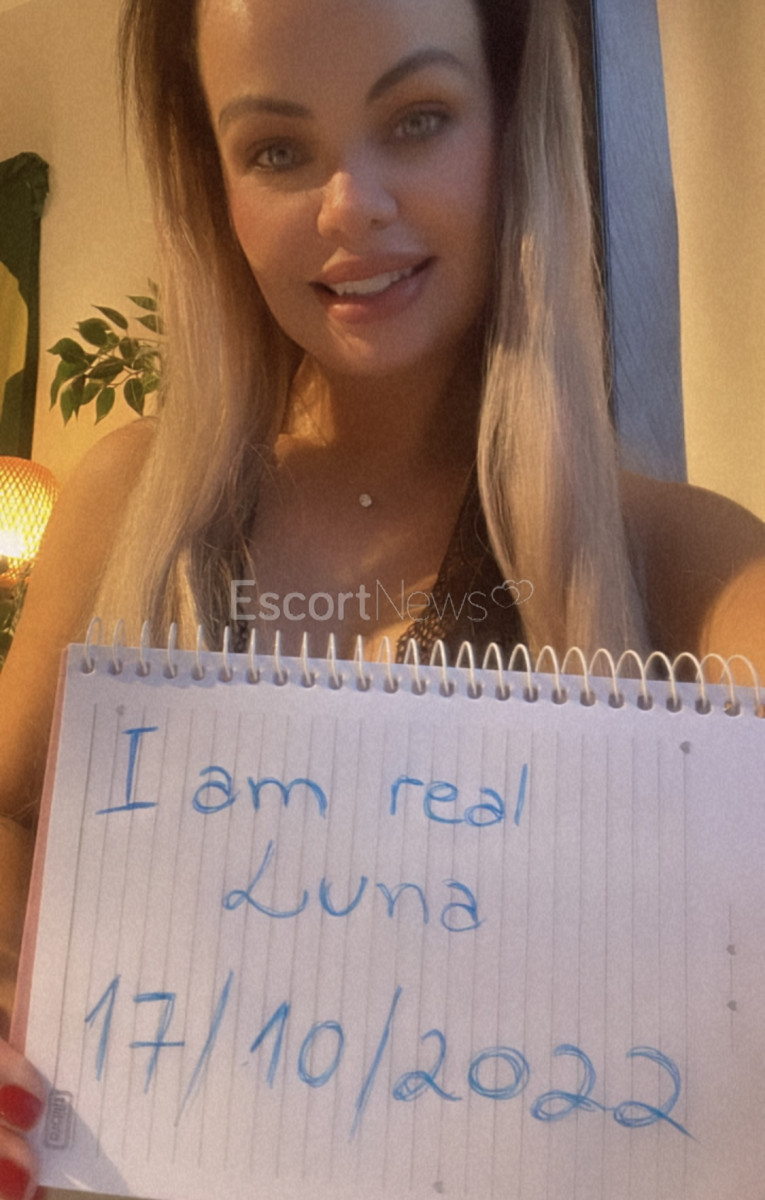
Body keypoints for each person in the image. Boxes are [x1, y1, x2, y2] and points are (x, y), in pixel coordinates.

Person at [0, 0, 764, 1195]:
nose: (351, 205)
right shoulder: (129, 509)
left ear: (510, 128)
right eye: (277, 148)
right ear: (213, 181)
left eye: (417, 119)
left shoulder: (681, 563)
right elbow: (10, 810)